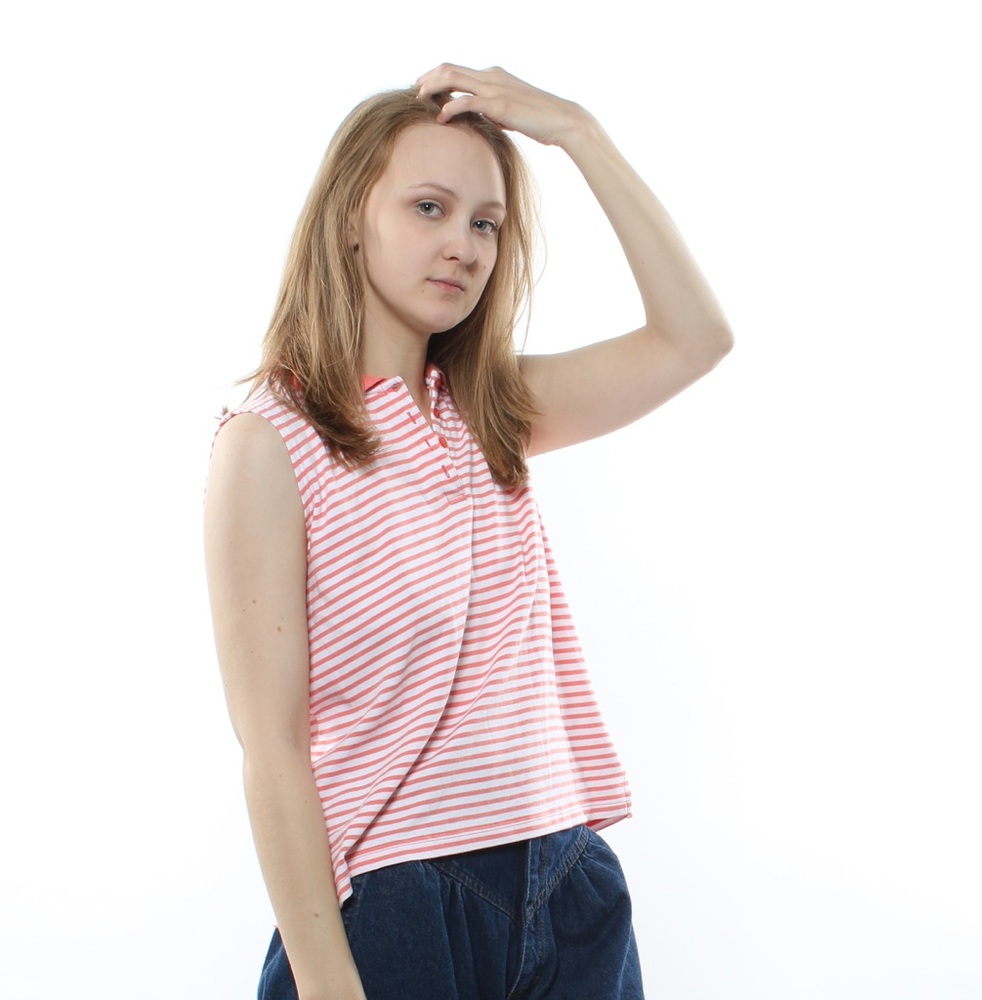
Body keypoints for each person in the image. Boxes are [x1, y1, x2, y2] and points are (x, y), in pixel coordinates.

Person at [204, 64, 732, 1000]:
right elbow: (271, 746)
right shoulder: (271, 443)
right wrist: (330, 984)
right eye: (429, 208)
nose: (464, 246)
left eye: (485, 222)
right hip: (400, 903)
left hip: (567, 879)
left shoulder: (490, 411)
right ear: (348, 221)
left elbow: (696, 337)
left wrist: (578, 132)